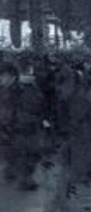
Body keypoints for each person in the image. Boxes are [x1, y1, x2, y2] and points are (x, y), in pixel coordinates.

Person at [0, 61, 48, 191]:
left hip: (24, 129)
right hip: (7, 129)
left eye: (2, 76)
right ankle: (11, 171)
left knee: (28, 154)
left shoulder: (26, 90)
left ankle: (26, 179)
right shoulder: (4, 90)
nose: (1, 79)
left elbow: (36, 107)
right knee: (9, 153)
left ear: (12, 76)